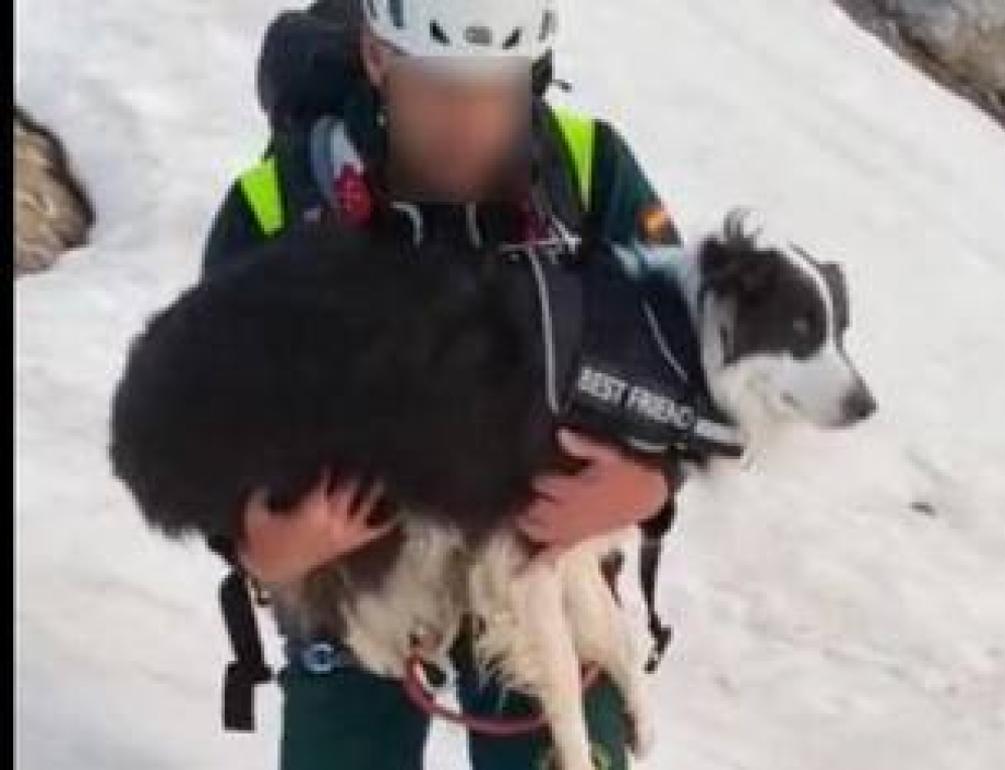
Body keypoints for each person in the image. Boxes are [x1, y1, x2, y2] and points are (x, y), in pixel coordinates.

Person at [200, 1, 691, 768]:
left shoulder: (590, 173)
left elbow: (683, 360)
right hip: (354, 578)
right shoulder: (280, 207)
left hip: (538, 566)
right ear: (376, 57)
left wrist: (649, 482)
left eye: (496, 90)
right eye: (438, 88)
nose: (467, 121)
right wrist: (262, 542)